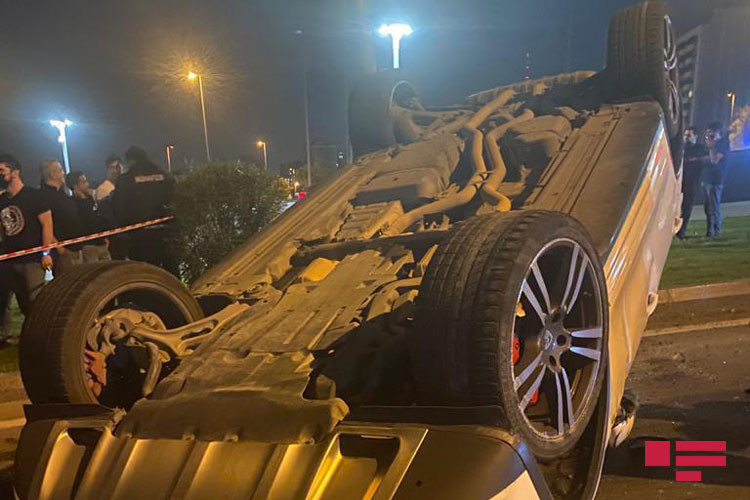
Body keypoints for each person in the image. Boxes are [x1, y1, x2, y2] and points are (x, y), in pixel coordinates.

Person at [0, 154, 54, 323]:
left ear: (15, 172)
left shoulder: (34, 195)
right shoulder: (2, 200)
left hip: (32, 260)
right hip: (12, 260)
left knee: (36, 302)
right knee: (23, 304)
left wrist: (46, 253)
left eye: (2, 170)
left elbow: (47, 224)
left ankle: (43, 330)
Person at [112, 146, 176, 272]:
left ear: (130, 160)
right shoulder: (164, 175)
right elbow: (175, 200)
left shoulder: (126, 179)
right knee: (170, 271)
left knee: (146, 273)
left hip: (139, 238)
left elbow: (119, 209)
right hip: (166, 233)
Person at [39, 159, 85, 276]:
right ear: (52, 174)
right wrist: (59, 247)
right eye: (60, 170)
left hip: (75, 248)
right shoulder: (43, 196)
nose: (63, 173)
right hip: (64, 252)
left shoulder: (61, 193)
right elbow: (44, 224)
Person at [66, 171, 111, 263]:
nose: (88, 184)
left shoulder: (90, 199)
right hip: (89, 245)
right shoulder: (73, 204)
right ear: (75, 186)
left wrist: (104, 236)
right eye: (84, 182)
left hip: (101, 242)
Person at [676, 127, 708, 239]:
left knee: (687, 207)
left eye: (689, 135)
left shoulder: (700, 149)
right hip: (681, 182)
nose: (686, 138)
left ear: (695, 136)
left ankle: (681, 232)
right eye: (685, 135)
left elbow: (704, 161)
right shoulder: (682, 149)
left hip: (692, 182)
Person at [702, 122, 730, 238]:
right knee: (707, 206)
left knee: (714, 205)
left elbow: (714, 160)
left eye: (712, 133)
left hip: (716, 179)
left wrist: (711, 146)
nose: (710, 136)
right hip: (707, 178)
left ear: (719, 133)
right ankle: (709, 230)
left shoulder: (722, 144)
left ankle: (716, 230)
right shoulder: (708, 145)